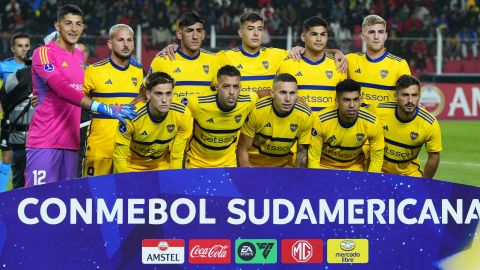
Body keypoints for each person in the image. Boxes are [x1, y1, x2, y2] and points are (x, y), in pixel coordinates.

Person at [25, 4, 136, 187]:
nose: (73, 29)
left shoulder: (79, 56)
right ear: (57, 26)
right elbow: (59, 87)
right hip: (44, 141)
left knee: (66, 204)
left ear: (83, 27)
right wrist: (102, 107)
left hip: (71, 142)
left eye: (78, 24)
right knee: (36, 201)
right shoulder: (43, 52)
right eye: (68, 23)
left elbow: (81, 92)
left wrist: (114, 108)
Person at [82, 24, 143, 177]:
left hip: (129, 152)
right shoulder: (94, 71)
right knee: (94, 198)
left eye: (130, 40)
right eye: (121, 40)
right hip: (100, 150)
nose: (126, 44)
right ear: (110, 43)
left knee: (127, 199)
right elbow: (76, 97)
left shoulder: (139, 72)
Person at [113, 72, 193, 172]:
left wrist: (173, 181)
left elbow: (177, 155)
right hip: (132, 167)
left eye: (168, 94)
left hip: (161, 166)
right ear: (148, 94)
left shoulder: (182, 114)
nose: (164, 100)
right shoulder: (131, 117)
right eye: (159, 94)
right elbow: (119, 158)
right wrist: (127, 184)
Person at [185, 65, 257, 168]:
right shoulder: (197, 104)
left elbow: (265, 94)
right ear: (217, 87)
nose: (231, 92)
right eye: (226, 86)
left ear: (240, 88)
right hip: (196, 163)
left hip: (228, 164)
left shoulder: (249, 101)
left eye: (235, 86)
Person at [237, 73, 313, 168]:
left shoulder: (305, 115)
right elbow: (242, 149)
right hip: (254, 165)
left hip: (284, 166)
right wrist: (247, 178)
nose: (288, 99)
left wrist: (296, 178)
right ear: (272, 93)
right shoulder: (257, 111)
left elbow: (302, 154)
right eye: (283, 93)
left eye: (292, 93)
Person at [308, 79, 384, 172]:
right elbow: (314, 159)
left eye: (355, 100)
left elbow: (377, 160)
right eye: (346, 100)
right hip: (324, 166)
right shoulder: (321, 120)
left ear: (360, 100)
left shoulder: (372, 122)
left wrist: (371, 183)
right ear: (337, 102)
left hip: (354, 167)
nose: (352, 105)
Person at [373, 75, 442, 178]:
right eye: (405, 95)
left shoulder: (429, 123)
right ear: (396, 96)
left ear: (419, 96)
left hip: (409, 174)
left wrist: (425, 183)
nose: (410, 100)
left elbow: (434, 156)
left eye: (414, 95)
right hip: (380, 171)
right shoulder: (379, 111)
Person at [278, 16, 347, 112]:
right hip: (297, 126)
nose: (319, 39)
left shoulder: (339, 65)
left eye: (323, 34)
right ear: (303, 37)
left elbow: (344, 102)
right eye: (314, 34)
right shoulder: (287, 65)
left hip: (327, 126)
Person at [149, 12, 217, 106]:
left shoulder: (214, 60)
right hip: (174, 120)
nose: (195, 36)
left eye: (199, 31)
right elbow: (145, 94)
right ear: (179, 34)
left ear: (203, 34)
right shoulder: (163, 60)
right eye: (189, 31)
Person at [346, 15, 411, 105]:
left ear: (385, 36)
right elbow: (323, 58)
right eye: (372, 32)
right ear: (363, 36)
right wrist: (335, 51)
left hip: (387, 119)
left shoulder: (399, 64)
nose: (376, 37)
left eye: (380, 32)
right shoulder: (350, 60)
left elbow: (408, 97)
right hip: (359, 119)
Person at [0, 33, 30, 191]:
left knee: (29, 160)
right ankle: (2, 194)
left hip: (31, 122)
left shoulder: (34, 67)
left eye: (26, 45)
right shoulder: (4, 67)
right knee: (7, 157)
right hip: (10, 121)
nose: (24, 49)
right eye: (20, 45)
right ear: (13, 48)